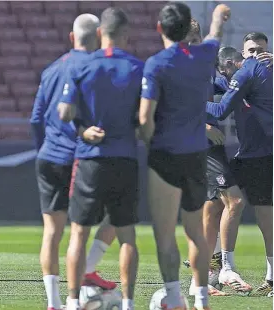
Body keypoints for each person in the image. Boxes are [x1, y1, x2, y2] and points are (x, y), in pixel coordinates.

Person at [138, 2, 230, 309]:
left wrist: (147, 139)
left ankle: (175, 297)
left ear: (160, 29)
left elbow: (144, 118)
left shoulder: (156, 64)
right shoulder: (204, 58)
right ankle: (201, 299)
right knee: (195, 232)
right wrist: (218, 16)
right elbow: (215, 34)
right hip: (195, 156)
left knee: (165, 233)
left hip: (165, 155)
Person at [31, 13, 117, 310]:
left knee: (52, 233)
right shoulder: (96, 68)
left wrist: (44, 149)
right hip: (82, 158)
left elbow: (36, 118)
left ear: (72, 37)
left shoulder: (51, 70)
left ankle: (53, 303)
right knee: (117, 214)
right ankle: (85, 273)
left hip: (48, 157)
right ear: (100, 37)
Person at [59, 7, 142, 310]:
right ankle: (129, 303)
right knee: (127, 234)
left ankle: (71, 302)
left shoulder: (81, 66)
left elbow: (64, 113)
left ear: (99, 33)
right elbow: (145, 117)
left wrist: (84, 130)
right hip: (125, 158)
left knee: (79, 232)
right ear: (125, 33)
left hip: (90, 159)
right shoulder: (136, 68)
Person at [184, 20, 251, 297]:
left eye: (196, 36)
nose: (194, 41)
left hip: (211, 147)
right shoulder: (181, 68)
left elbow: (225, 87)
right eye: (189, 37)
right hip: (199, 146)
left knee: (210, 211)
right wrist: (203, 126)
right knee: (234, 200)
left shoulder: (204, 69)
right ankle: (225, 268)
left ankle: (203, 280)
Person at [206, 44, 273, 297]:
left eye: (257, 50)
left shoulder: (249, 74)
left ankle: (224, 267)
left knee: (260, 214)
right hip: (248, 155)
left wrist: (189, 105)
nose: (253, 55)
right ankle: (215, 266)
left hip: (264, 156)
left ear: (230, 64)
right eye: (249, 51)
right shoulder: (249, 76)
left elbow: (221, 109)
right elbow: (221, 89)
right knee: (215, 204)